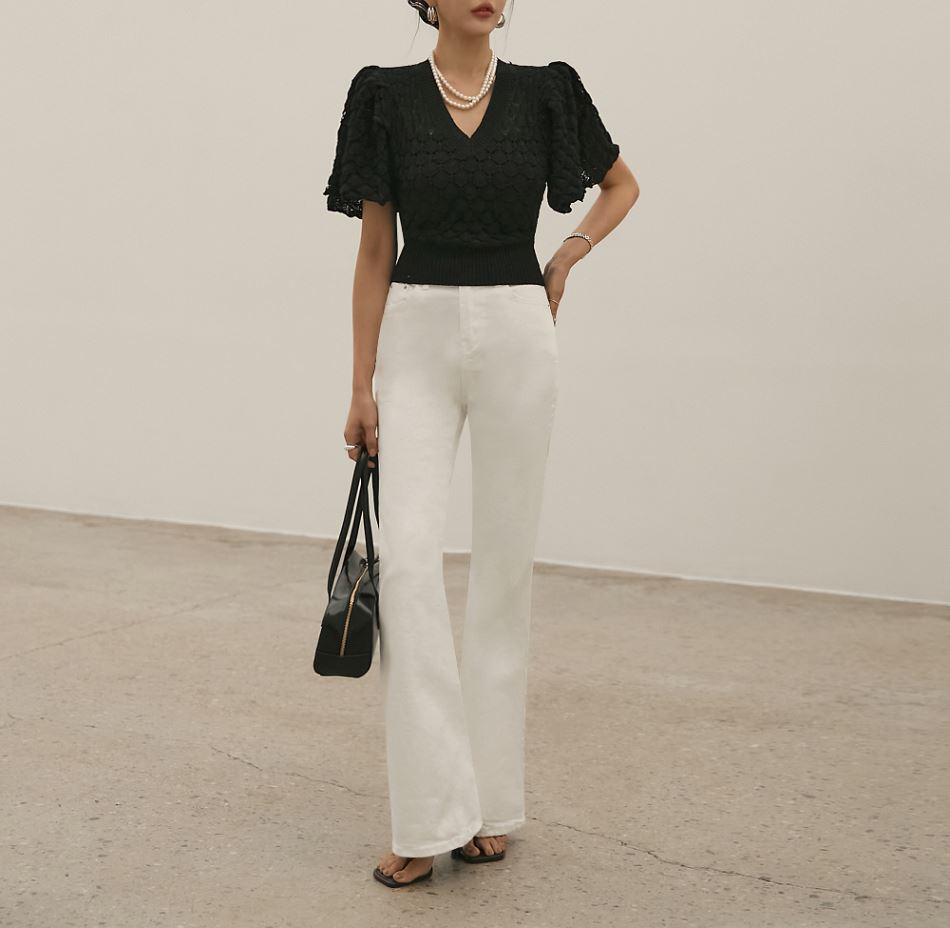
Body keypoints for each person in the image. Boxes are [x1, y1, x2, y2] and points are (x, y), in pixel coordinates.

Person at [323, 0, 639, 889]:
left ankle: (491, 805)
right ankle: (429, 813)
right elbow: (375, 248)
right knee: (408, 563)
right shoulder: (384, 96)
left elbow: (622, 185)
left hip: (517, 335)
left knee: (504, 571)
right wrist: (361, 383)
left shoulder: (548, 93)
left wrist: (566, 254)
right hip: (416, 337)